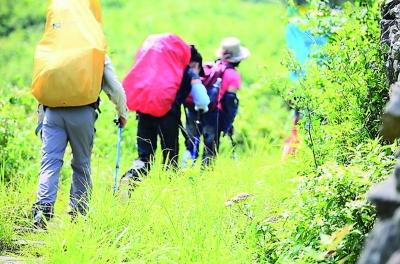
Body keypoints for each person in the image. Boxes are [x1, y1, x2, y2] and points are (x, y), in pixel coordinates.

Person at [31, 0, 128, 228]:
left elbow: (40, 84)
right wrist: (121, 111)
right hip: (83, 113)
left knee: (50, 162)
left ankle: (42, 210)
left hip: (52, 113)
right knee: (81, 163)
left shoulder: (51, 48)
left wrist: (40, 119)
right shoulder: (94, 50)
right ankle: (79, 212)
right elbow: (114, 87)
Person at [121, 39, 209, 181]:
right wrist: (201, 108)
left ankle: (130, 178)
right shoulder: (187, 71)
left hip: (145, 114)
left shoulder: (152, 70)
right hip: (169, 117)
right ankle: (169, 190)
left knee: (144, 158)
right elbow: (203, 100)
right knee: (170, 157)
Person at [182, 37, 250, 167]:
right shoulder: (233, 75)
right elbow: (230, 101)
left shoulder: (208, 67)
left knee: (191, 146)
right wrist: (227, 124)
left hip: (193, 109)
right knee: (210, 150)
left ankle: (184, 172)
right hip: (213, 115)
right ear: (238, 59)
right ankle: (205, 178)